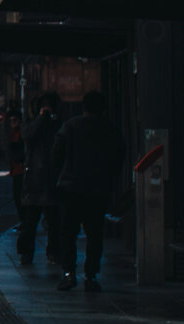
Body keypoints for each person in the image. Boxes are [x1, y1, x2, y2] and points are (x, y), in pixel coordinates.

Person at [49, 90, 126, 292]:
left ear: (84, 107)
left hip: (71, 188)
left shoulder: (70, 126)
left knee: (68, 232)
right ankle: (91, 275)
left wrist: (63, 172)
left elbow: (56, 155)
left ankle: (69, 273)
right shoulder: (109, 129)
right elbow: (118, 158)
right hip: (97, 189)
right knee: (94, 234)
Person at [14, 97, 61, 267]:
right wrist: (41, 119)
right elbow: (28, 135)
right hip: (34, 181)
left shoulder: (57, 124)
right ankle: (26, 253)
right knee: (30, 222)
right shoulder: (31, 124)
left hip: (51, 180)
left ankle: (54, 252)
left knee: (54, 222)